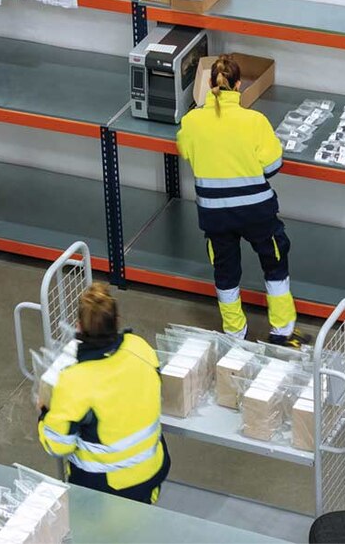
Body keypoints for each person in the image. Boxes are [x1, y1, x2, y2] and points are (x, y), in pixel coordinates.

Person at [176, 54, 308, 347]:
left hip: (215, 215)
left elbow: (185, 150)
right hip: (256, 212)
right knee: (274, 263)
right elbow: (272, 166)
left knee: (225, 271)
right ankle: (282, 332)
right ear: (239, 85)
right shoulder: (254, 121)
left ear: (210, 85)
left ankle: (235, 335)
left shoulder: (192, 121)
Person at [37, 283, 170, 504]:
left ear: (78, 327)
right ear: (117, 321)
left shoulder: (74, 380)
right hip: (152, 473)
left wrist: (43, 413)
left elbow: (57, 444)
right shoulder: (140, 348)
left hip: (107, 493)